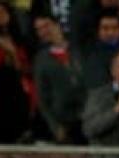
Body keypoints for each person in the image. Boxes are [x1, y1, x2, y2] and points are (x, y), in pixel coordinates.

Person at [32, 13, 86, 144]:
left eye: (46, 26)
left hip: (87, 117)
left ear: (57, 25)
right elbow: (42, 98)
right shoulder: (41, 60)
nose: (43, 31)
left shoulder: (79, 50)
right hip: (63, 122)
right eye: (39, 29)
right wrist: (55, 127)